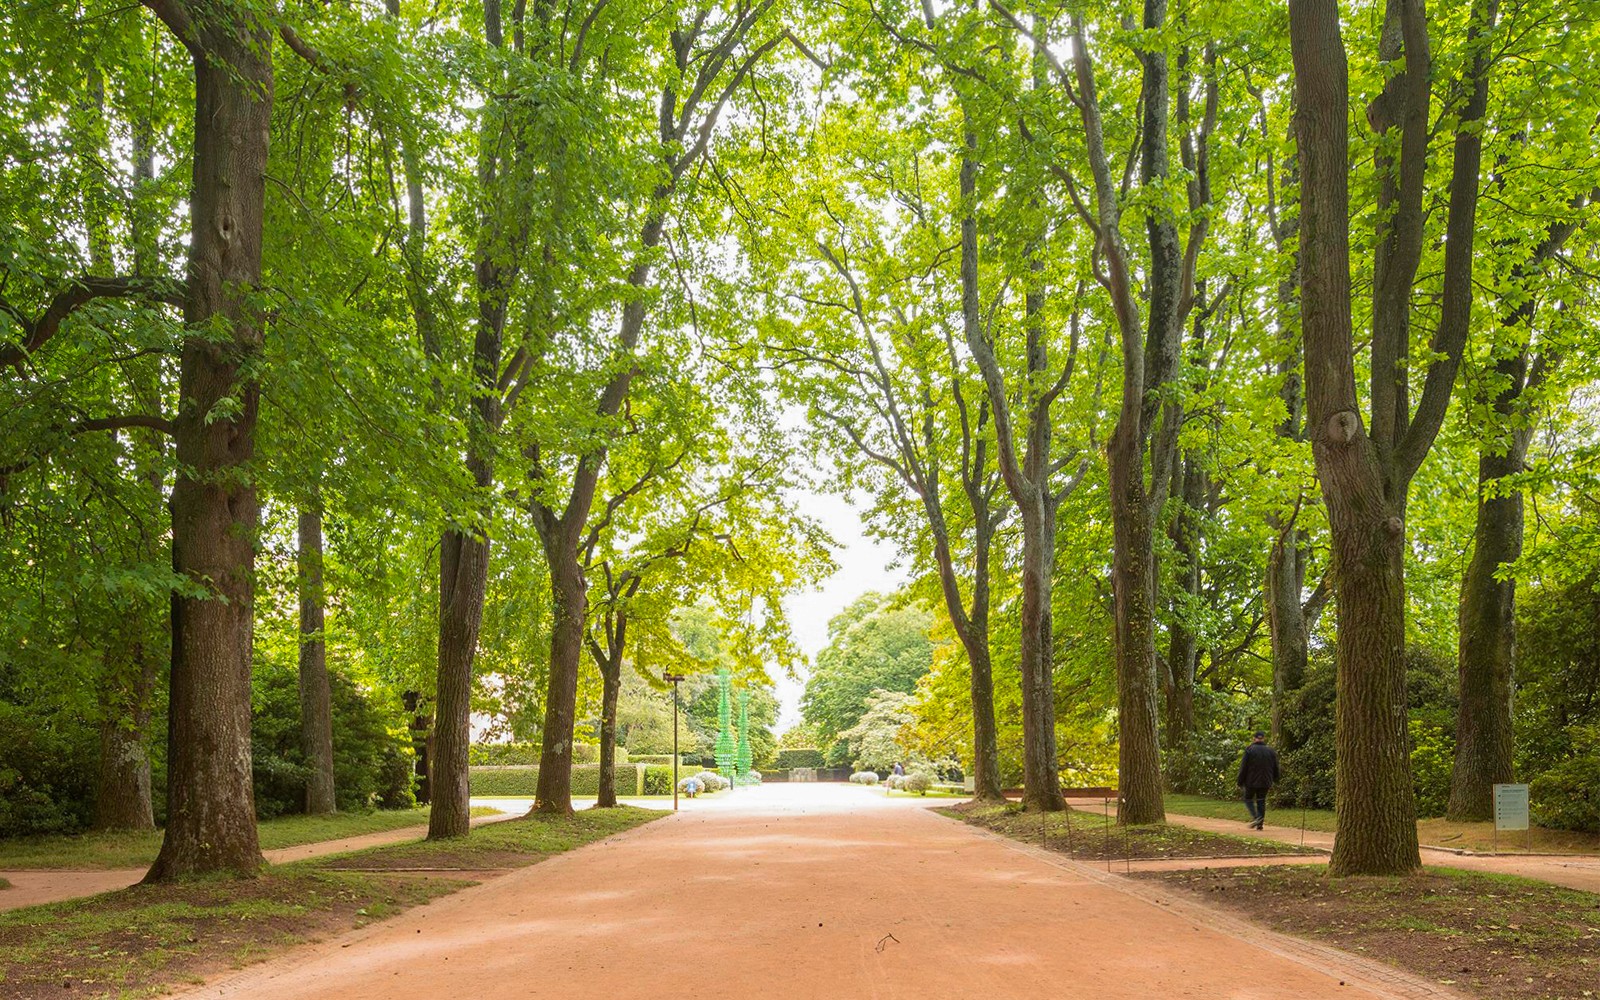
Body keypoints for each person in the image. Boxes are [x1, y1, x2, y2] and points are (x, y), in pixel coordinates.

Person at [1236, 730, 1280, 830]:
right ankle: (1260, 824)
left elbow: (1244, 767)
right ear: (1263, 738)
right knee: (1261, 800)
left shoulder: (1249, 750)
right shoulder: (1270, 751)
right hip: (1266, 781)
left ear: (1254, 738)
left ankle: (1256, 817)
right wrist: (1276, 779)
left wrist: (1240, 781)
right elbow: (1276, 767)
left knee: (1248, 799)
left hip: (1251, 781)